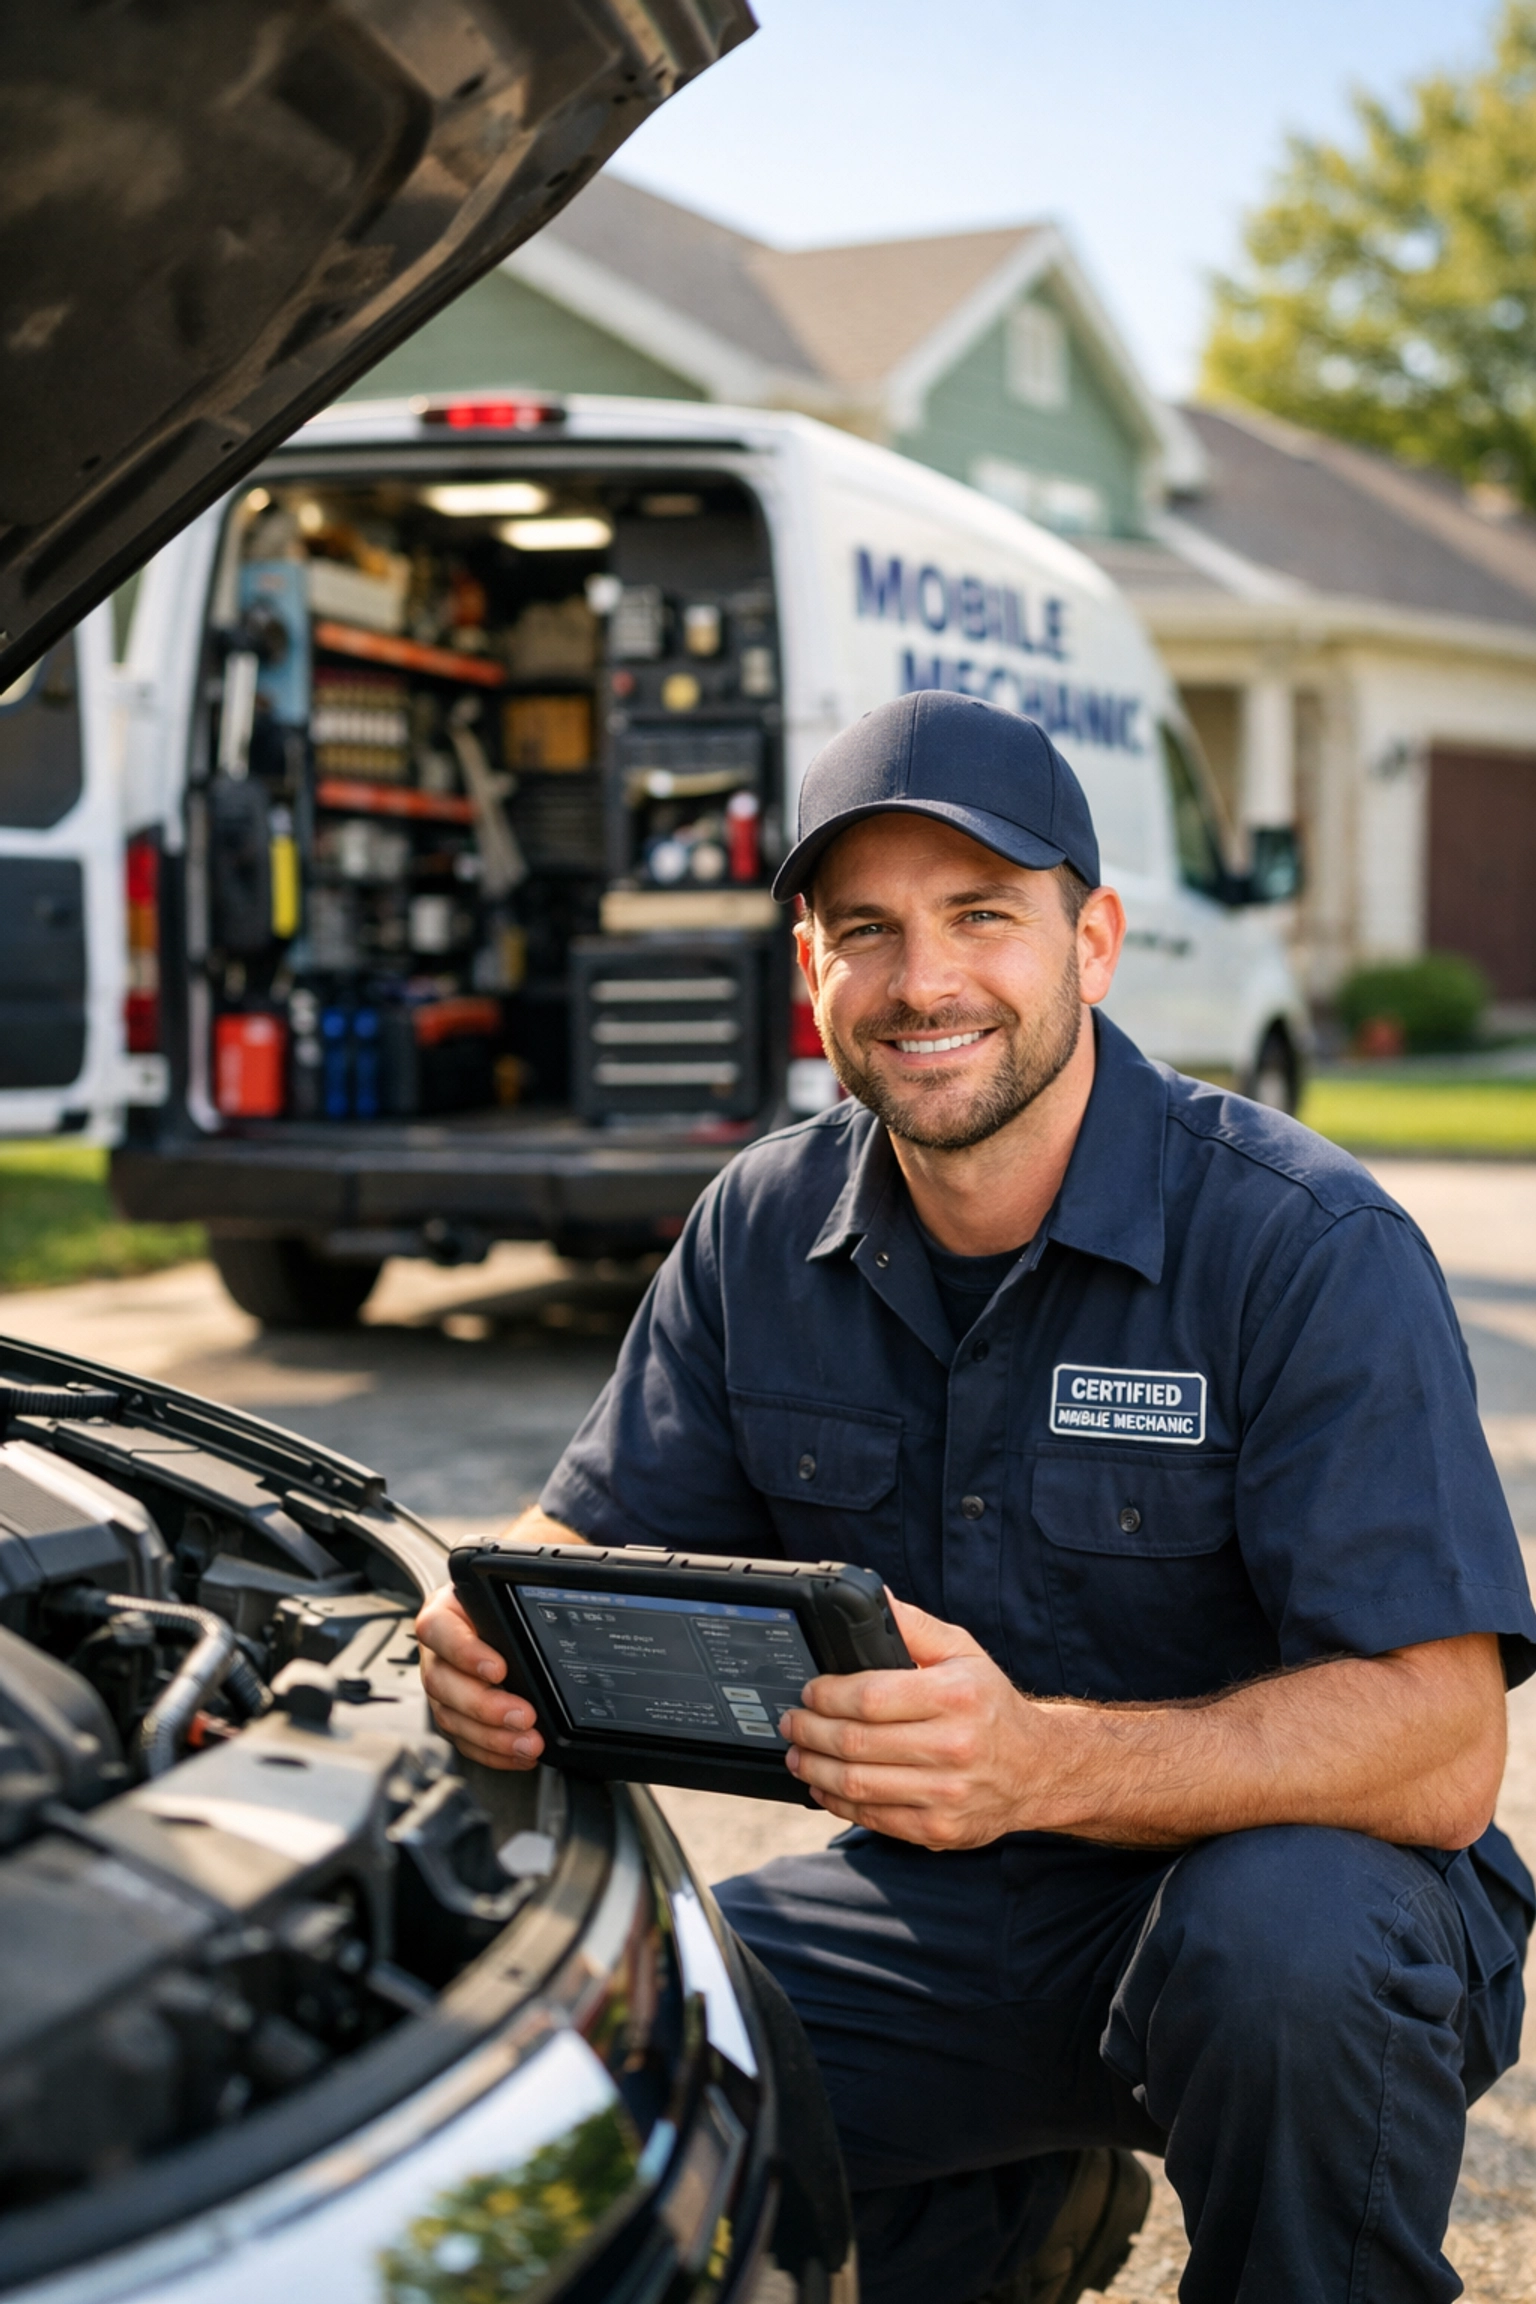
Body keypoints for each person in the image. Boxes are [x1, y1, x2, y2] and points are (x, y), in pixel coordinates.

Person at [416, 690, 1536, 2304]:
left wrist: (1038, 1763)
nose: (922, 981)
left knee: (1281, 1949)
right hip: (947, 1916)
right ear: (810, 972)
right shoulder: (759, 1228)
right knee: (617, 2041)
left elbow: (1442, 1750)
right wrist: (482, 1623)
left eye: (981, 916)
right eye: (862, 928)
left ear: (1093, 940)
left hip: (1297, 1916)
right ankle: (1006, 2208)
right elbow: (582, 1538)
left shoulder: (1303, 1247)